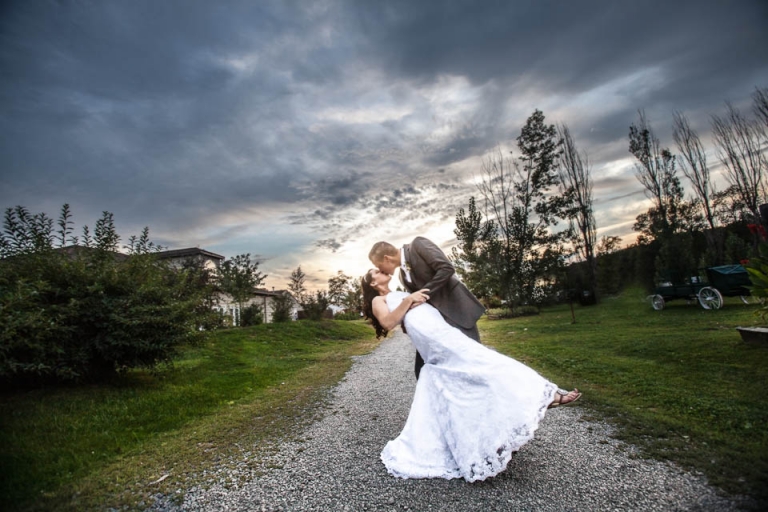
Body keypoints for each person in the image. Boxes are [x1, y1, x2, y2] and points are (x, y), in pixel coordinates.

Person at [361, 268, 581, 482]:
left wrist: (416, 301)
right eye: (376, 272)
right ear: (373, 282)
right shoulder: (378, 300)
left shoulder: (400, 292)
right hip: (434, 339)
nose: (382, 271)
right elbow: (389, 322)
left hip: (441, 330)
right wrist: (409, 301)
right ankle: (542, 396)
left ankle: (515, 414)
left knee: (469, 377)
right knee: (483, 363)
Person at [369, 238, 485, 379]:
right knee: (428, 371)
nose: (380, 270)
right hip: (435, 325)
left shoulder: (418, 245)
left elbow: (446, 268)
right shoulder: (402, 277)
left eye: (378, 265)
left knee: (473, 361)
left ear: (386, 258)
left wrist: (424, 294)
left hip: (456, 312)